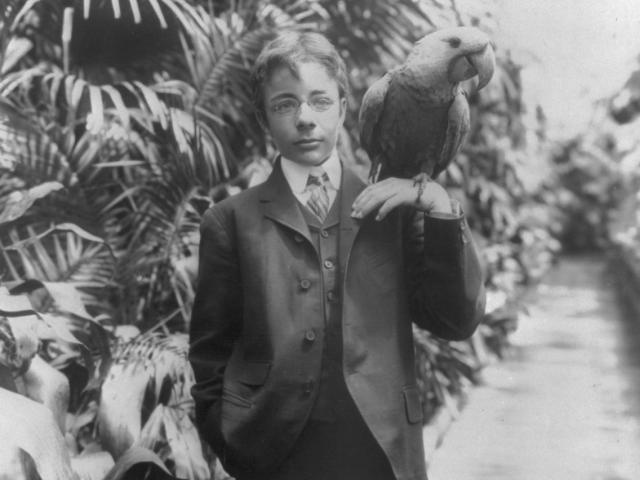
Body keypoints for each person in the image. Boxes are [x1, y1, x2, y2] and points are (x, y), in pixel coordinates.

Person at [189, 30, 486, 480]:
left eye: (320, 101)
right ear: (264, 117)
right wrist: (231, 440)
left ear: (345, 109)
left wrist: (440, 207)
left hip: (378, 455)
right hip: (273, 456)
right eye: (285, 104)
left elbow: (455, 321)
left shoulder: (398, 210)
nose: (305, 118)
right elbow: (209, 357)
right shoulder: (229, 222)